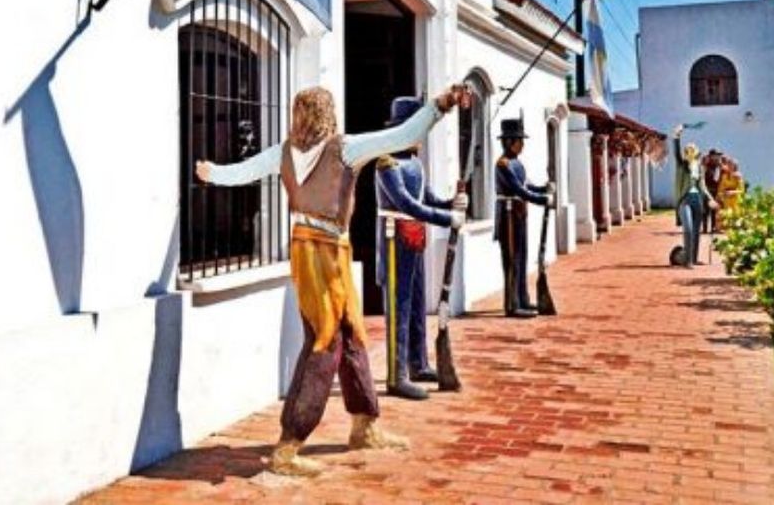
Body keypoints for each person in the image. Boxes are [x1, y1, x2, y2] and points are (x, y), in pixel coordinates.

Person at [196, 84, 470, 476]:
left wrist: (211, 173)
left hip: (320, 249)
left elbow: (240, 172)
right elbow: (404, 136)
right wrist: (441, 104)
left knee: (353, 334)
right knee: (325, 340)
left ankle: (365, 424)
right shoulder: (344, 148)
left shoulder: (285, 152)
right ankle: (288, 447)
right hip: (318, 252)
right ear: (329, 114)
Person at [374, 97, 468, 400]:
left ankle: (418, 363)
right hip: (394, 238)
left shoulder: (415, 163)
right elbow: (407, 204)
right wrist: (446, 218)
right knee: (398, 306)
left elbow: (427, 199)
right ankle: (396, 373)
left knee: (416, 303)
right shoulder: (386, 163)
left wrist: (451, 202)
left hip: (415, 238)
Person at [494, 117, 554, 317]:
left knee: (522, 257)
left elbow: (528, 186)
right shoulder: (503, 164)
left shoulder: (517, 164)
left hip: (519, 213)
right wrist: (541, 199)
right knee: (511, 259)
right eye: (519, 140)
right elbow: (520, 190)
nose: (522, 144)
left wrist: (544, 189)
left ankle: (523, 298)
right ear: (510, 142)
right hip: (508, 215)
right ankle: (512, 303)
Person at [672, 125, 717, 267]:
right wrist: (677, 136)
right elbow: (676, 153)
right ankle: (687, 260)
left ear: (697, 153)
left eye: (693, 149)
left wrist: (710, 199)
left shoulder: (699, 168)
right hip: (684, 200)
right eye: (688, 149)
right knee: (689, 229)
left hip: (697, 199)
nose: (690, 151)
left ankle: (694, 258)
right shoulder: (682, 165)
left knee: (697, 230)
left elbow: (702, 186)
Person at [715, 157, 745, 232]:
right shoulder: (724, 176)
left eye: (731, 164)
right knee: (726, 218)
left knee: (736, 219)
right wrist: (720, 195)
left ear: (735, 166)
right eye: (728, 164)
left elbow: (742, 190)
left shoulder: (738, 176)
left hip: (736, 200)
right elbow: (720, 189)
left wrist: (733, 192)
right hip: (726, 200)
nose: (729, 166)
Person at [701, 148, 723, 234]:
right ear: (711, 156)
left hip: (715, 190)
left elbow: (718, 178)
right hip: (707, 190)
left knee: (714, 210)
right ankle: (705, 228)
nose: (717, 157)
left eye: (718, 155)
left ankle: (713, 227)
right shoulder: (706, 165)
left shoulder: (717, 166)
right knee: (705, 210)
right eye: (716, 155)